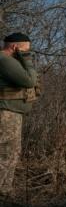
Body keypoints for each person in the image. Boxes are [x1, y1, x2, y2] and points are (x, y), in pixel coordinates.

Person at [0, 32, 38, 196]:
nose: (27, 54)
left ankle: (4, 190)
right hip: (5, 114)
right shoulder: (5, 60)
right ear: (15, 47)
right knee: (5, 153)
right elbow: (29, 80)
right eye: (25, 50)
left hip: (11, 113)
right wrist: (27, 61)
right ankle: (3, 190)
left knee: (11, 153)